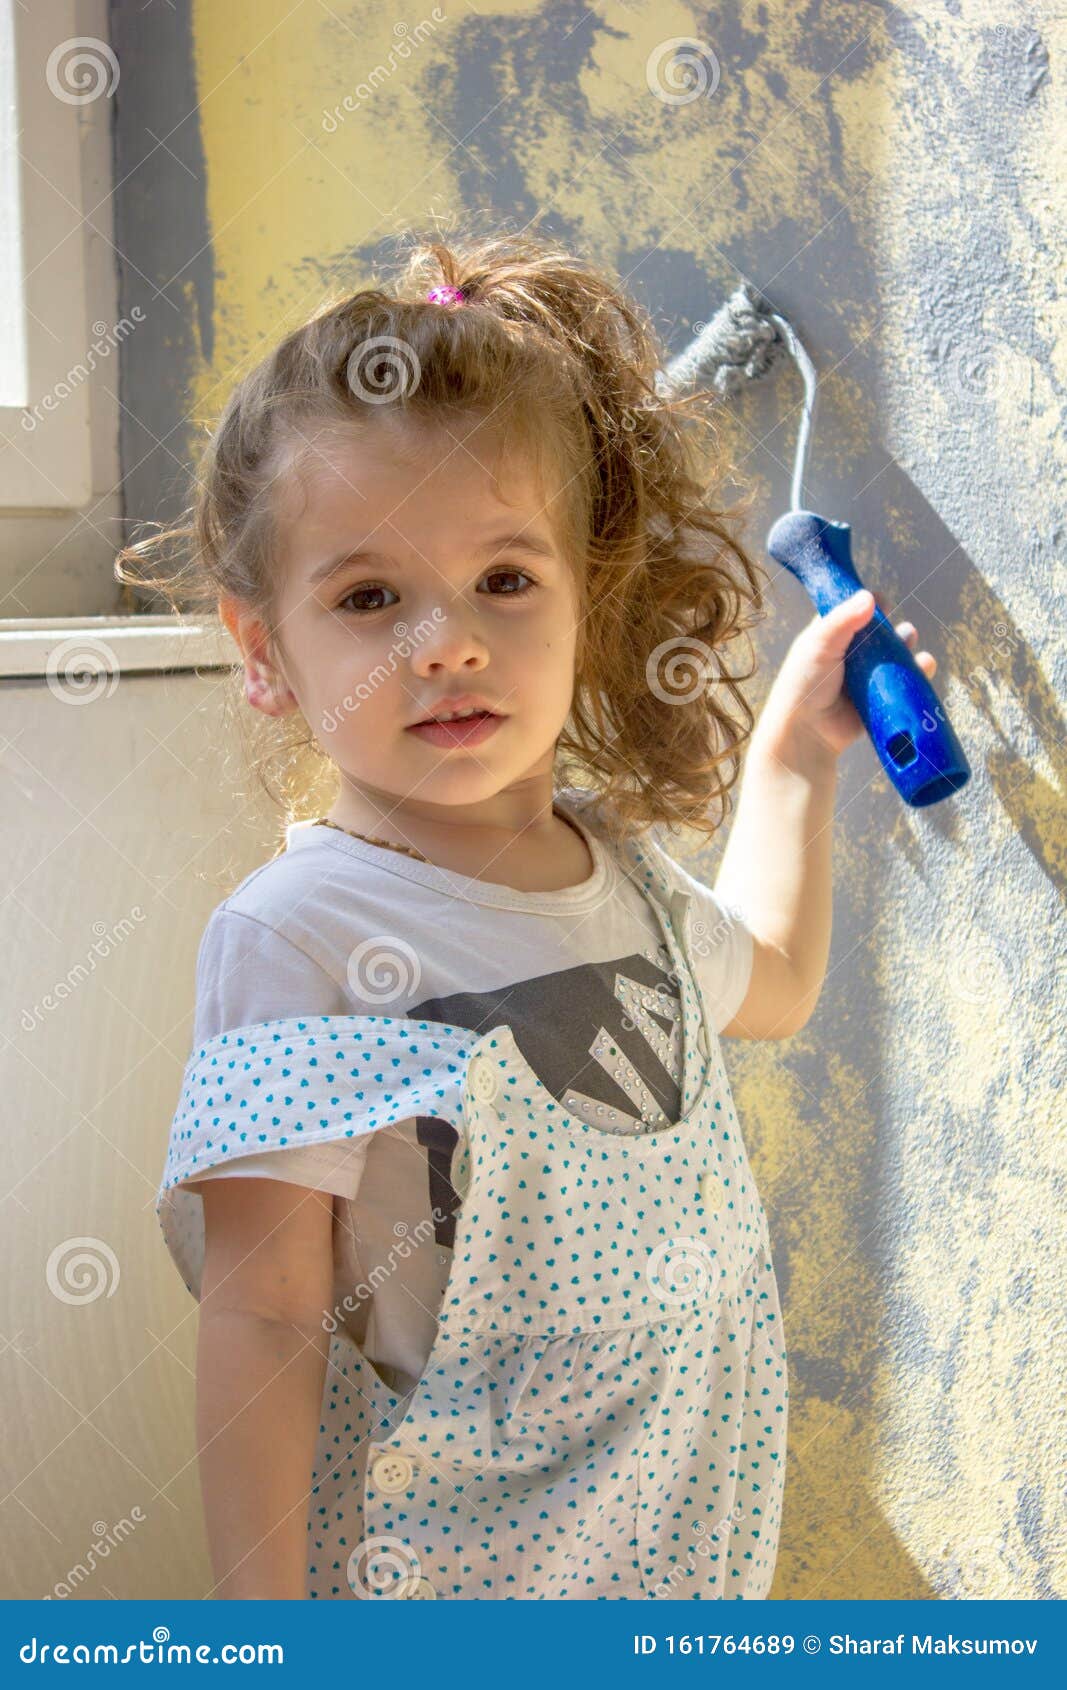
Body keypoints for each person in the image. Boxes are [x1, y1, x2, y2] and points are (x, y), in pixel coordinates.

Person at [118, 230, 937, 1602]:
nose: (446, 641)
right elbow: (264, 1318)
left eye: (503, 579)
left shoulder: (621, 879)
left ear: (584, 599)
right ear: (265, 653)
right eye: (369, 597)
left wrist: (798, 754)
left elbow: (779, 977)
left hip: (680, 1584)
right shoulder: (300, 937)